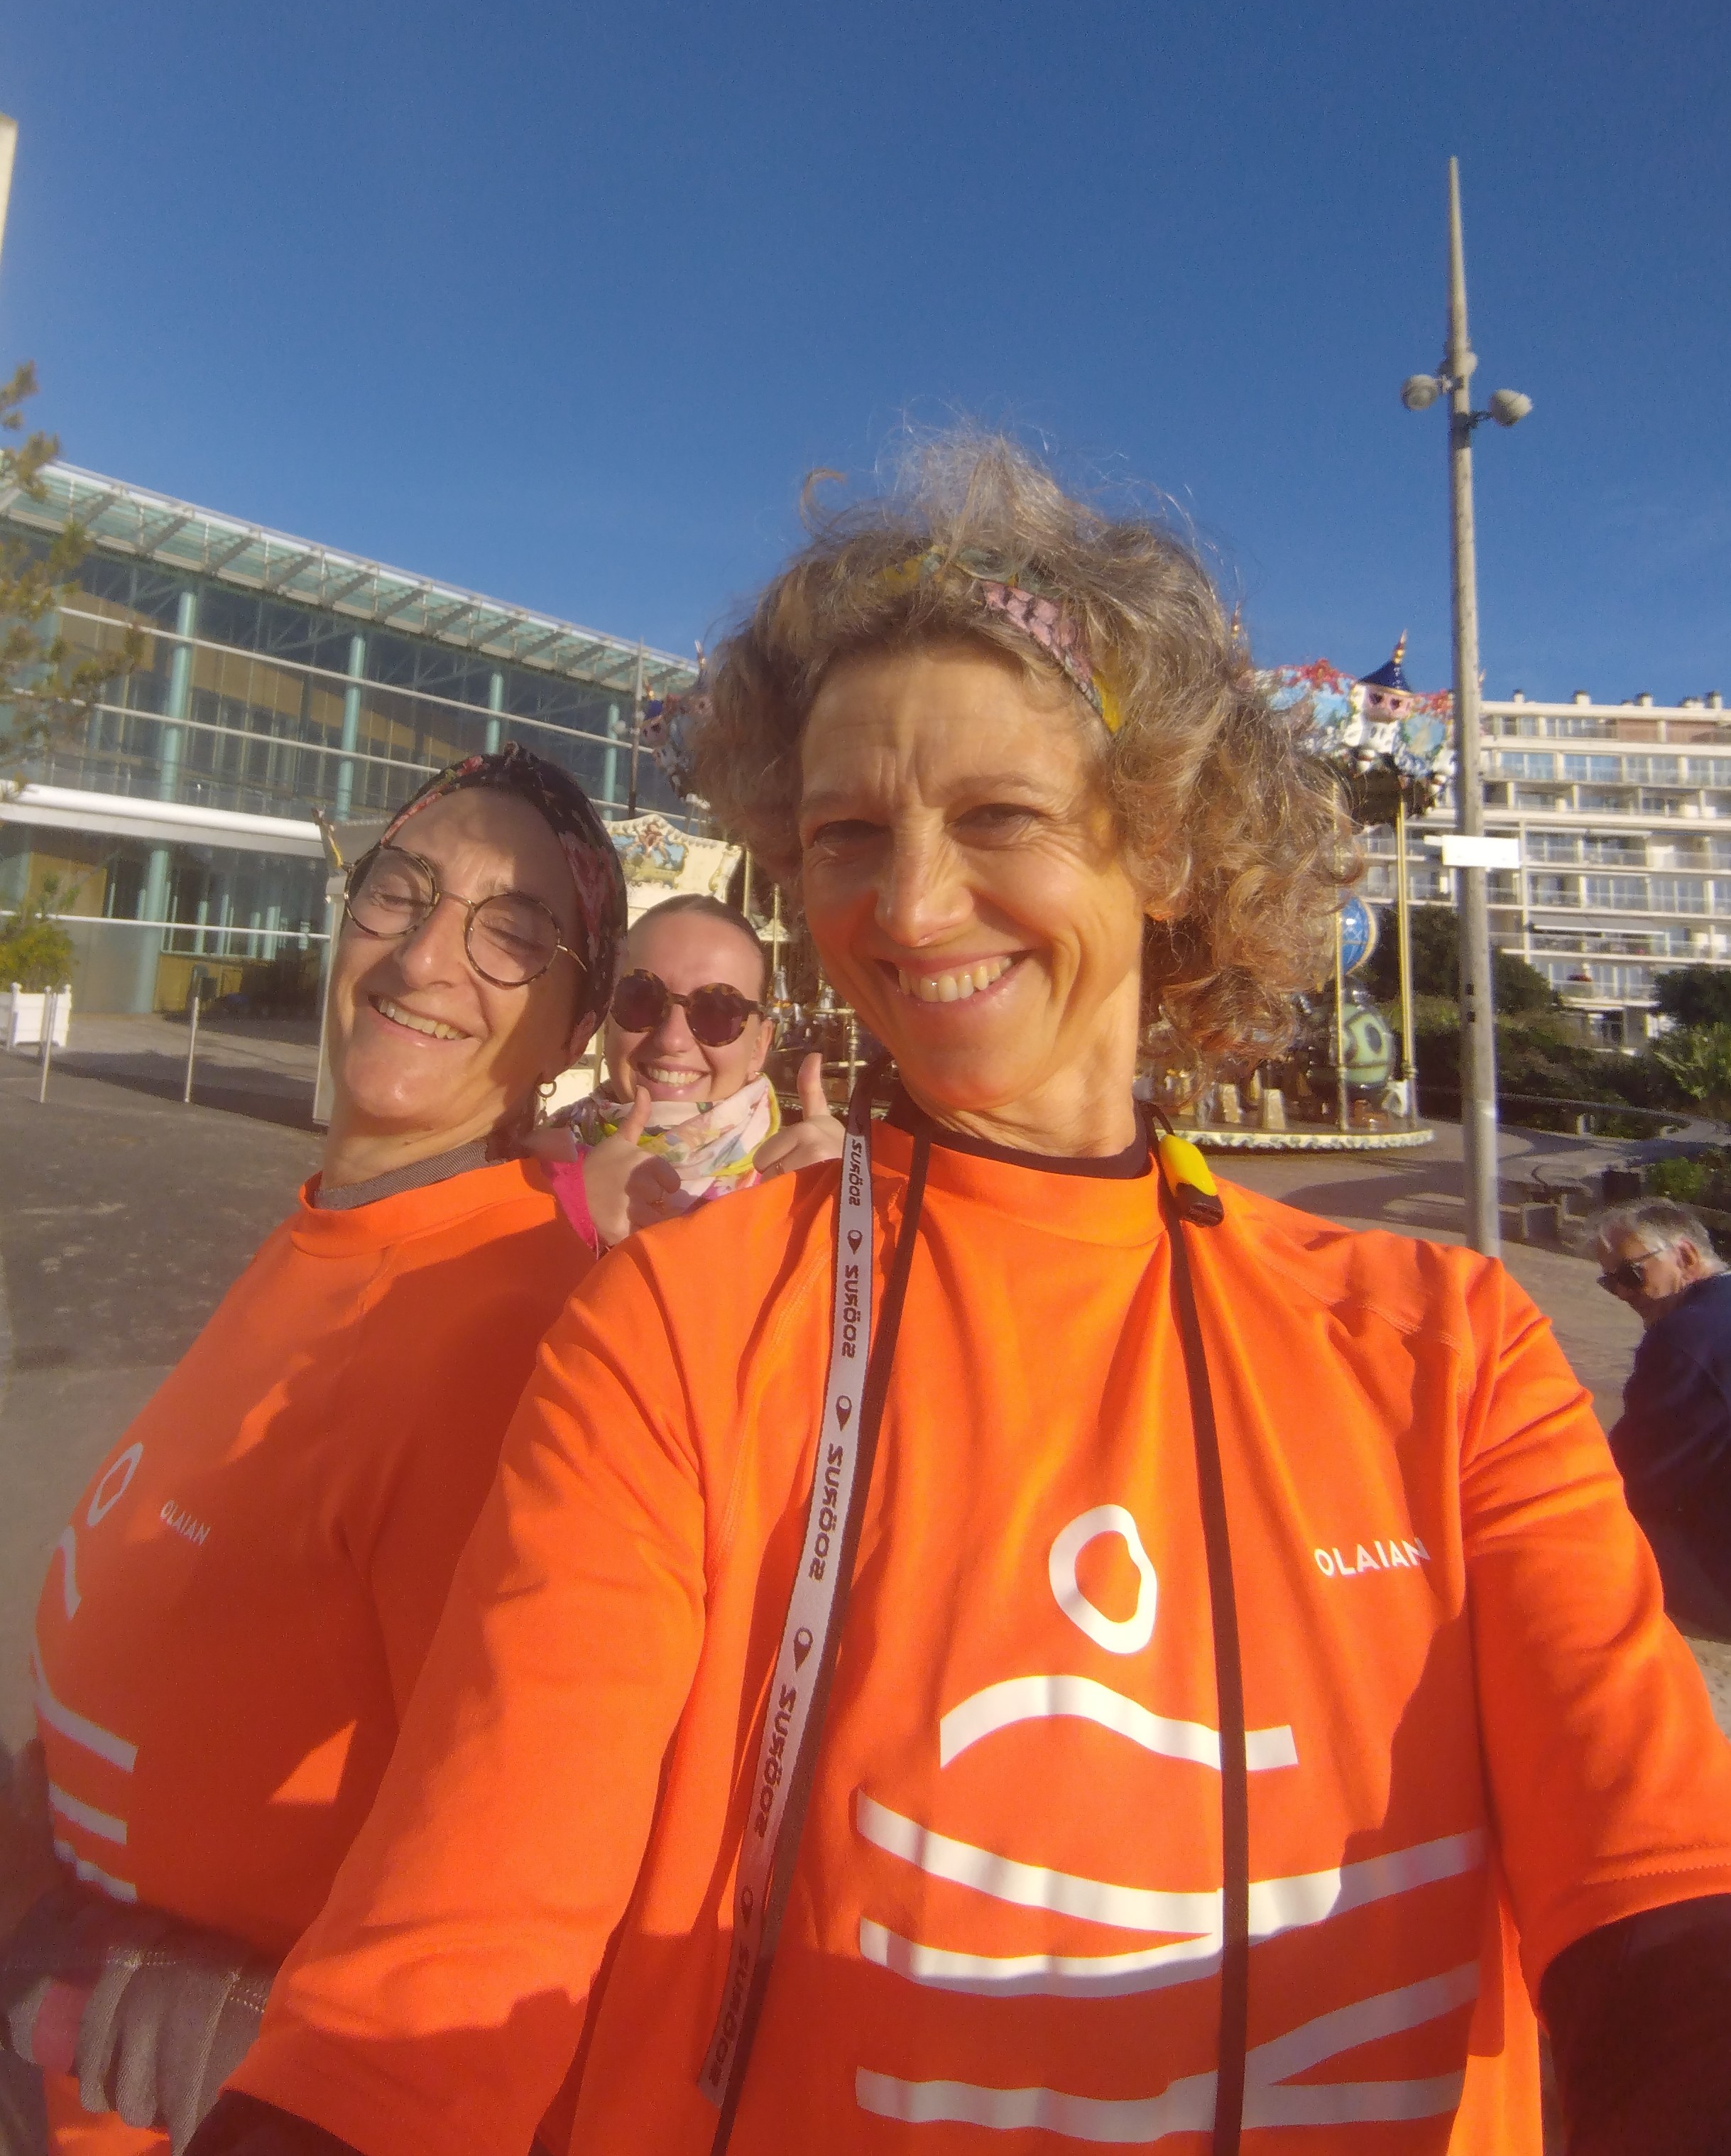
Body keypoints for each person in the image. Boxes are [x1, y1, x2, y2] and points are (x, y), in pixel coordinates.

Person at [197, 437, 1731, 2156]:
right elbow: (457, 1942)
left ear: (1162, 847)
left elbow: (1660, 1897)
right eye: (845, 832)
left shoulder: (1447, 1348)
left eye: (997, 816)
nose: (908, 906)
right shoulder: (684, 1328)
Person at [0, 744, 629, 2154]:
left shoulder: (512, 1328)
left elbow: (537, 1873)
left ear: (578, 1024)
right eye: (397, 892)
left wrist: (280, 2019)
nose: (422, 958)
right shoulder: (343, 1230)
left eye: (512, 935)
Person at [534, 893, 841, 1249]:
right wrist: (561, 1212)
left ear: (760, 1045)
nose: (672, 1039)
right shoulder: (529, 1165)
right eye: (640, 998)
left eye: (717, 1011)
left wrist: (850, 1209)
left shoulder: (805, 1181)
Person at [1598, 1197, 1731, 1635]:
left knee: (1578, 1531)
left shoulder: (1683, 1339)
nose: (1621, 1293)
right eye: (1609, 1283)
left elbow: (1633, 1474)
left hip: (1720, 1587)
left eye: (1630, 1275)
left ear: (1686, 1255)